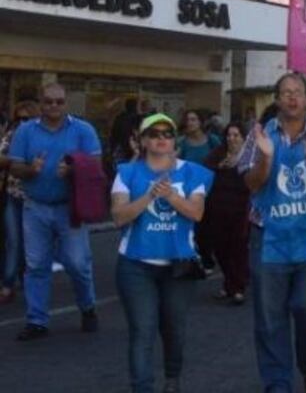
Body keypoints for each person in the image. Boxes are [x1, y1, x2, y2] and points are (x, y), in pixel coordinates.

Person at [240, 73, 306, 393]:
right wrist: (266, 159)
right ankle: (277, 382)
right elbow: (251, 184)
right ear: (277, 99)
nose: (292, 97)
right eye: (285, 92)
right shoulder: (258, 136)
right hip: (269, 241)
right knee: (270, 319)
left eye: (298, 92)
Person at [111, 113, 214, 393]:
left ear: (174, 140)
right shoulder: (127, 173)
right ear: (142, 141)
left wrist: (171, 196)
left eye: (167, 133)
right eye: (154, 134)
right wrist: (149, 196)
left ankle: (172, 380)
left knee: (174, 329)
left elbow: (196, 212)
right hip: (136, 265)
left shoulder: (193, 172)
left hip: (179, 265)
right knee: (142, 330)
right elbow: (118, 216)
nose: (161, 138)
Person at [7, 83, 101, 341]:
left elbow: (96, 166)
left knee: (78, 263)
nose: (53, 106)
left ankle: (88, 307)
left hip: (70, 208)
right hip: (35, 207)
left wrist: (72, 170)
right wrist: (31, 170)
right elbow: (14, 167)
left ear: (66, 103)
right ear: (40, 103)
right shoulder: (25, 131)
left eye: (59, 101)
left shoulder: (83, 130)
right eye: (48, 101)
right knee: (36, 265)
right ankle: (36, 320)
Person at [203, 123, 251, 305]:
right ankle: (229, 282)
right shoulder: (218, 154)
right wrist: (219, 166)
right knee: (220, 248)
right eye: (229, 135)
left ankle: (238, 287)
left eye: (236, 135)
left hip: (241, 209)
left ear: (243, 138)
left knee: (238, 248)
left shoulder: (249, 156)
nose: (232, 139)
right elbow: (206, 169)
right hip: (218, 208)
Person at [0, 100, 40, 305]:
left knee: (30, 244)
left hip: (37, 198)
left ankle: (28, 281)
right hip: (13, 195)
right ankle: (7, 285)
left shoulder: (42, 136)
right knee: (13, 241)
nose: (22, 123)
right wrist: (17, 161)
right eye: (19, 118)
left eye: (27, 118)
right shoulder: (12, 134)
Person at [178, 110, 221, 272]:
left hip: (211, 190)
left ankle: (208, 259)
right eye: (187, 119)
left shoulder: (212, 140)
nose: (190, 123)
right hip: (190, 192)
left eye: (193, 119)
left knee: (209, 227)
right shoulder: (182, 143)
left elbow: (222, 156)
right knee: (194, 227)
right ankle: (198, 259)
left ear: (201, 122)